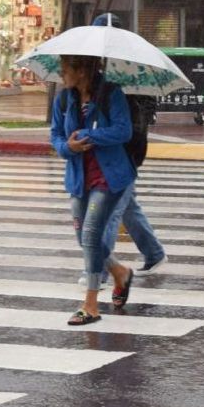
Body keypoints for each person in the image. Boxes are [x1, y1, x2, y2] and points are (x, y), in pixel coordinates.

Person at [50, 54, 134, 325]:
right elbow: (56, 137)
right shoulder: (64, 100)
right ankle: (120, 272)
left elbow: (124, 131)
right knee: (84, 240)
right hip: (78, 178)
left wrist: (91, 135)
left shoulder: (111, 94)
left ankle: (90, 304)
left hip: (108, 178)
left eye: (66, 70)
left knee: (90, 235)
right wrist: (68, 148)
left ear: (82, 71)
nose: (62, 75)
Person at [92, 12, 167, 281]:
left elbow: (135, 121)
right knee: (127, 206)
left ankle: (99, 271)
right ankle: (154, 252)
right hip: (120, 150)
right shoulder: (106, 72)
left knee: (111, 211)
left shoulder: (132, 71)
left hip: (126, 151)